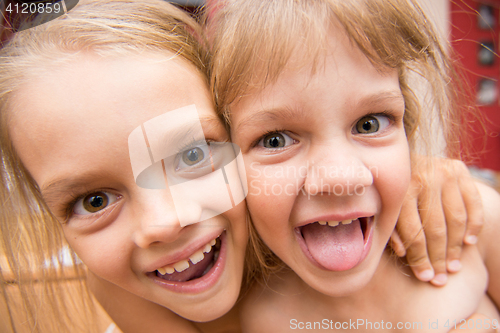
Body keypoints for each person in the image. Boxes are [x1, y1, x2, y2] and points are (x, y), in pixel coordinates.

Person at [0, 0, 489, 332]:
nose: (164, 222)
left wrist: (417, 170)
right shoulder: (134, 291)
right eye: (94, 200)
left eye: (191, 155)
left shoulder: (468, 220)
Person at [208, 0, 500, 331]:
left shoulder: (473, 220)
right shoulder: (237, 315)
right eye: (275, 140)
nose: (340, 178)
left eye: (369, 124)